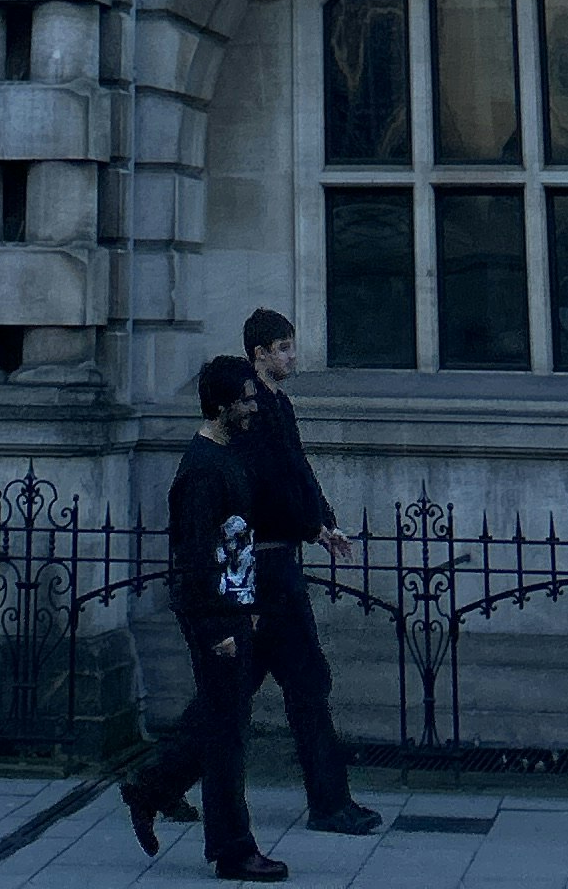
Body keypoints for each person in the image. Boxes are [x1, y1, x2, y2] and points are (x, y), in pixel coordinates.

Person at [122, 358, 281, 884]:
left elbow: (236, 542)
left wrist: (250, 604)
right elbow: (193, 558)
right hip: (215, 620)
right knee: (227, 736)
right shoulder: (201, 471)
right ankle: (234, 850)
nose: (254, 406)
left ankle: (150, 789)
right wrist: (218, 629)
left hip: (235, 612)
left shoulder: (225, 457)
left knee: (221, 723)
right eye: (246, 399)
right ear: (221, 405)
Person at [239, 310, 380, 837]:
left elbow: (299, 472)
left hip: (281, 563)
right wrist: (311, 526)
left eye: (291, 346)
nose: (291, 356)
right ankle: (328, 803)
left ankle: (158, 784)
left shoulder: (280, 405)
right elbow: (268, 488)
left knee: (274, 689)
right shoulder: (252, 409)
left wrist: (323, 523)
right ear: (260, 355)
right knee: (304, 685)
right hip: (267, 569)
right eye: (282, 348)